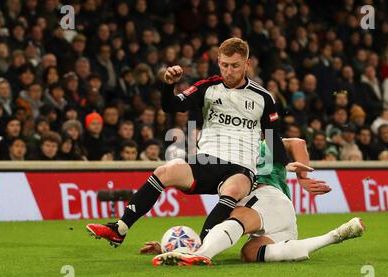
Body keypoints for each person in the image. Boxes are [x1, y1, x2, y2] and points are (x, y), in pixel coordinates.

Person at [86, 38, 288, 247]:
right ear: (218, 61)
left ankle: (198, 248)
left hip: (241, 167)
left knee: (233, 189)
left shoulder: (263, 97)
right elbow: (170, 106)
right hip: (207, 160)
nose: (229, 71)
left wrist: (293, 170)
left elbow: (273, 138)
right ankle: (120, 228)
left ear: (247, 64)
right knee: (165, 171)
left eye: (235, 66)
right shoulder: (207, 88)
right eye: (224, 65)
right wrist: (169, 85)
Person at [145, 138, 364, 266]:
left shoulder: (264, 144)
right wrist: (171, 247)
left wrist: (303, 178)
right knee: (250, 253)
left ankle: (201, 255)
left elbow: (297, 143)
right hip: (282, 218)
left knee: (237, 217)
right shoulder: (229, 158)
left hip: (267, 197)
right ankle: (335, 235)